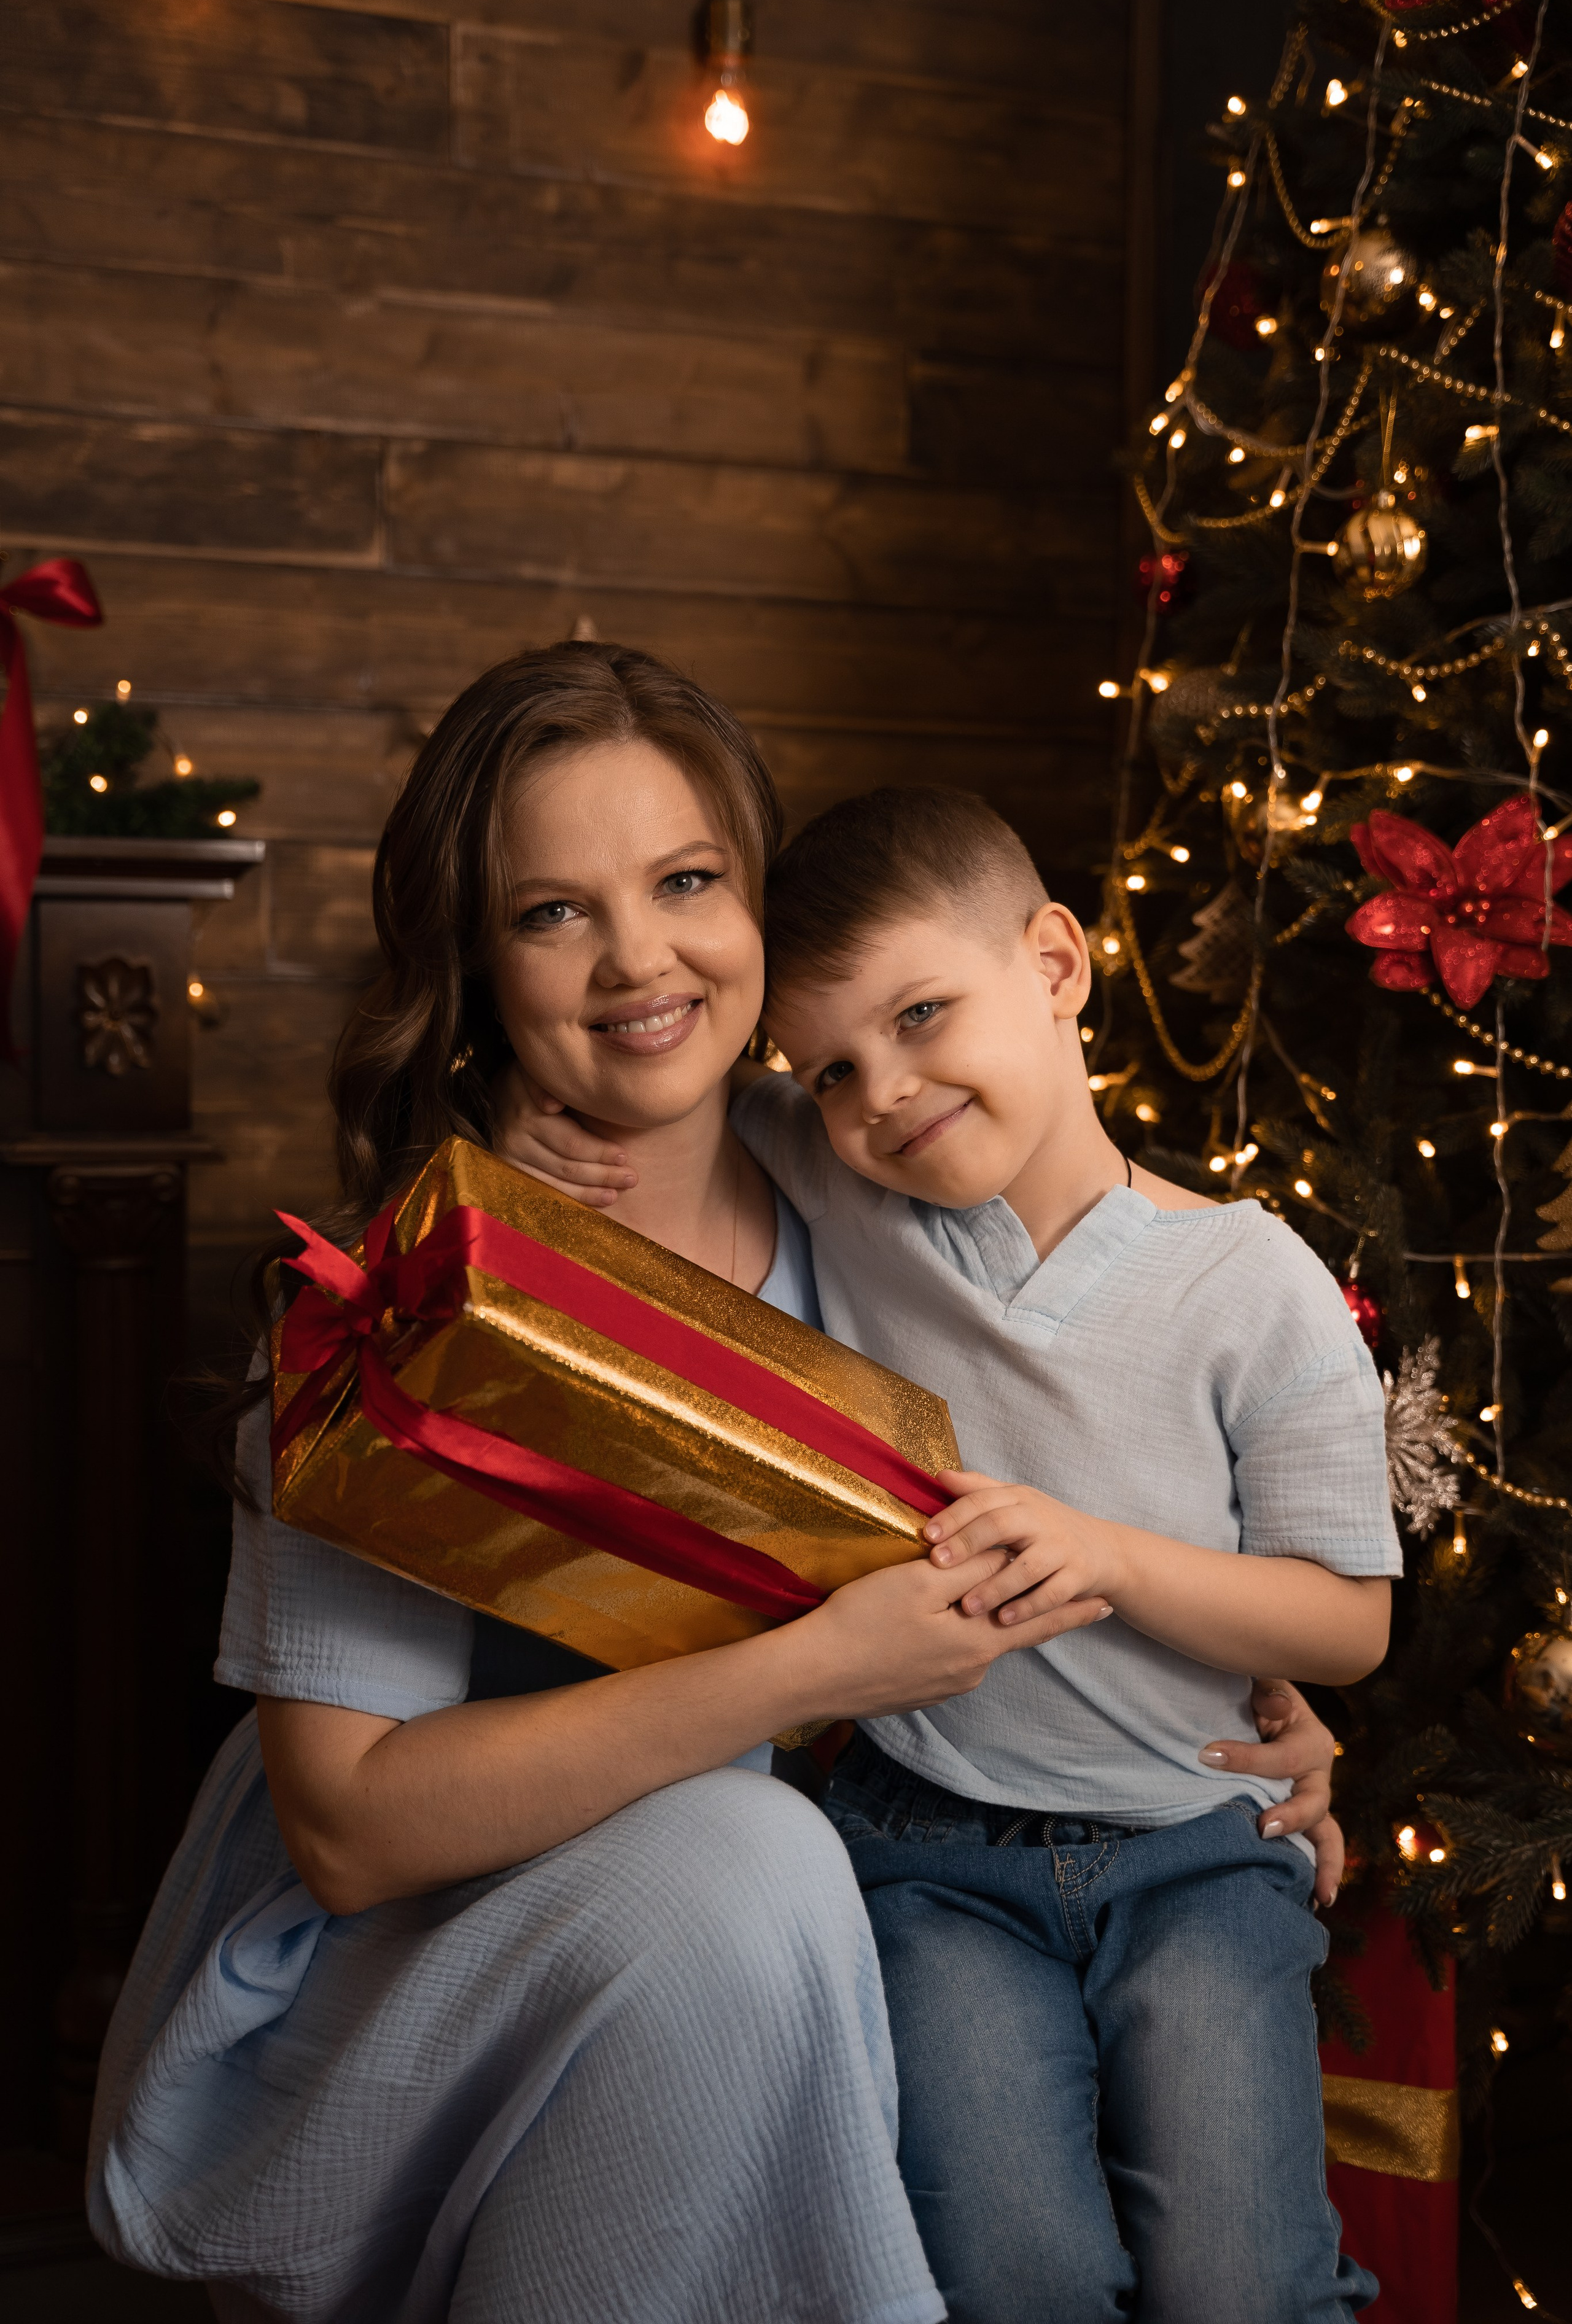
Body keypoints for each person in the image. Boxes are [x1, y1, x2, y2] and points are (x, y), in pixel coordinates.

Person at [91, 650, 1347, 2324]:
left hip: (770, 1943)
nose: (638, 961)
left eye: (687, 882)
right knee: (749, 1859)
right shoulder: (397, 1317)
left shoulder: (873, 1183)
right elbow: (347, 1831)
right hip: (393, 1984)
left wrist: (1247, 1715)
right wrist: (809, 1675)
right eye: (553, 912)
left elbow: (1121, 1426)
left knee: (770, 1881)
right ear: (477, 960)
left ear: (760, 913)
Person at [496, 782, 1401, 2324]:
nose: (888, 1092)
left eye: (923, 1015)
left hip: (1194, 1853)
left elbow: (1344, 1627)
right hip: (926, 1856)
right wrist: (524, 1114)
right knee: (1008, 2273)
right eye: (834, 1066)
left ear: (1054, 966)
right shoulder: (846, 1185)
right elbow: (661, 1080)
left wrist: (1105, 1555)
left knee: (1241, 2278)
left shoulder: (1252, 1282)